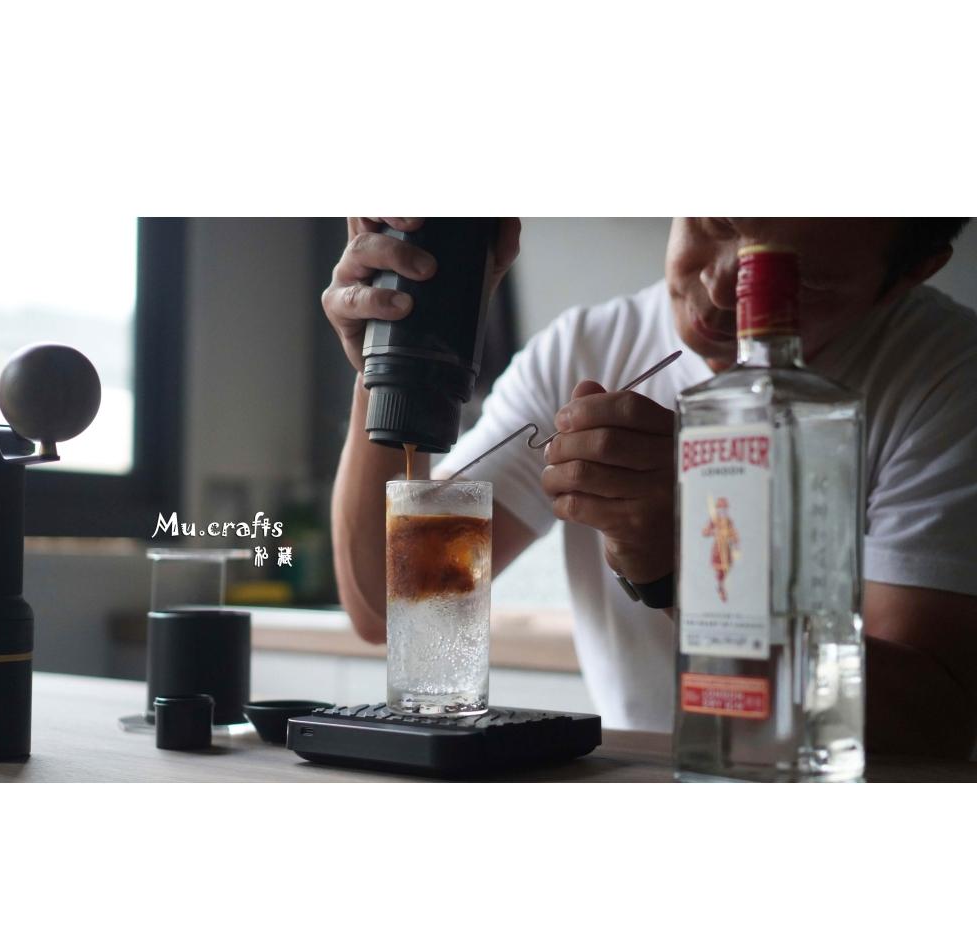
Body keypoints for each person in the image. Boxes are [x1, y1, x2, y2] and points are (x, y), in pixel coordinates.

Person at [323, 217, 977, 758]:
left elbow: (933, 729)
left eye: (799, 277)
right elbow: (387, 606)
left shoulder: (949, 380)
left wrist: (687, 562)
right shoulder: (585, 349)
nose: (722, 289)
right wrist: (388, 352)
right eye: (715, 224)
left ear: (910, 274)